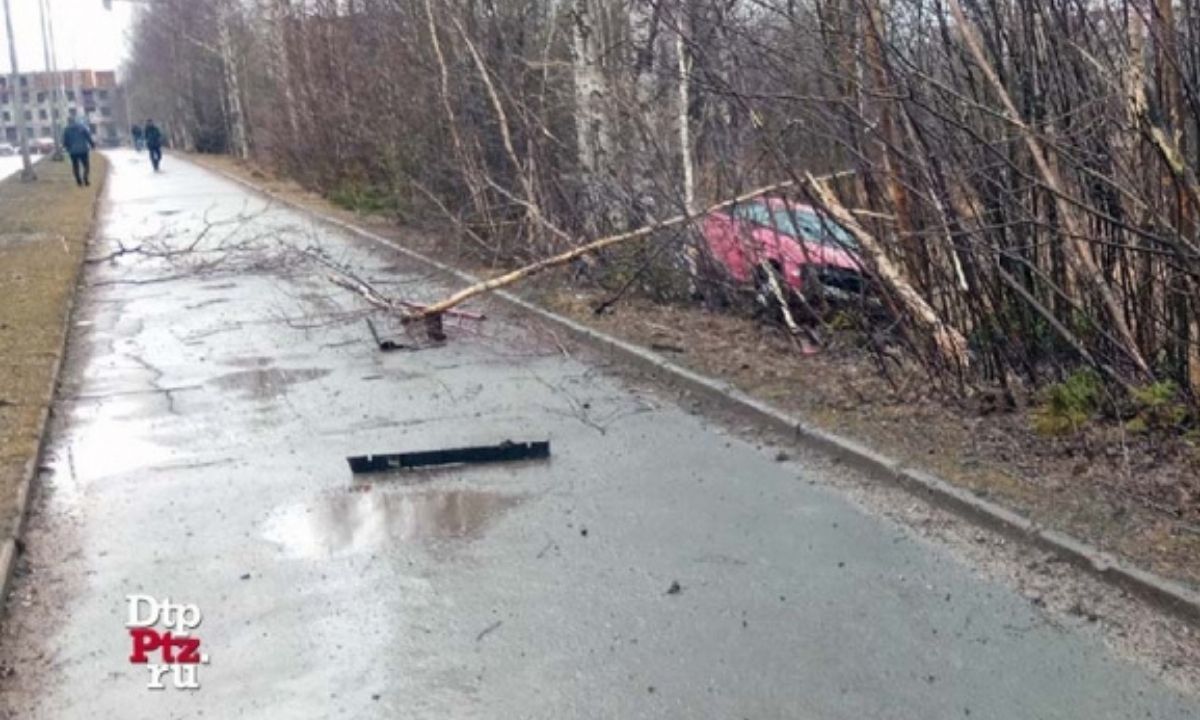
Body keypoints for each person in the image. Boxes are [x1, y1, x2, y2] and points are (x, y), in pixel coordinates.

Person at [62, 118, 95, 187]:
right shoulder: (82, 127)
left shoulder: (66, 129)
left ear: (68, 122)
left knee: (75, 166)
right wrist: (92, 144)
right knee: (86, 165)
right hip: (83, 149)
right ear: (75, 121)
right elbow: (88, 136)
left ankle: (79, 181)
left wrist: (67, 147)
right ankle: (85, 178)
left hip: (73, 151)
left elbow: (65, 141)